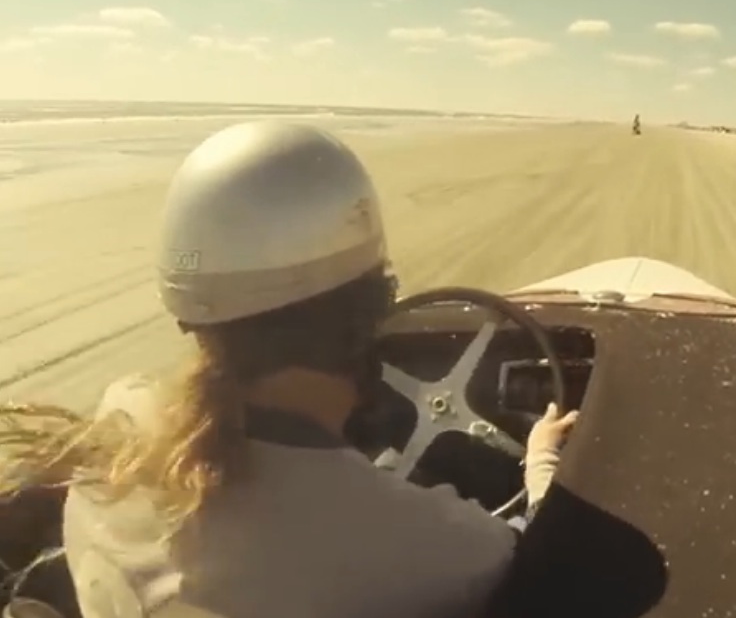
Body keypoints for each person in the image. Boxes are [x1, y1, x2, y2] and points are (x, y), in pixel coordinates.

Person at [0, 122, 578, 618]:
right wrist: (543, 462)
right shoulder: (406, 541)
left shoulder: (119, 424)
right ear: (372, 311)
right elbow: (525, 550)